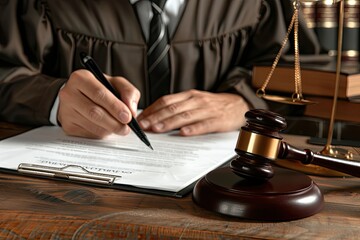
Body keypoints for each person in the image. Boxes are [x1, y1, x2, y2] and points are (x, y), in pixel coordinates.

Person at [0, 0, 320, 139]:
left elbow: (305, 68)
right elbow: (6, 73)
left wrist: (245, 102)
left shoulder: (257, 3)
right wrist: (55, 101)